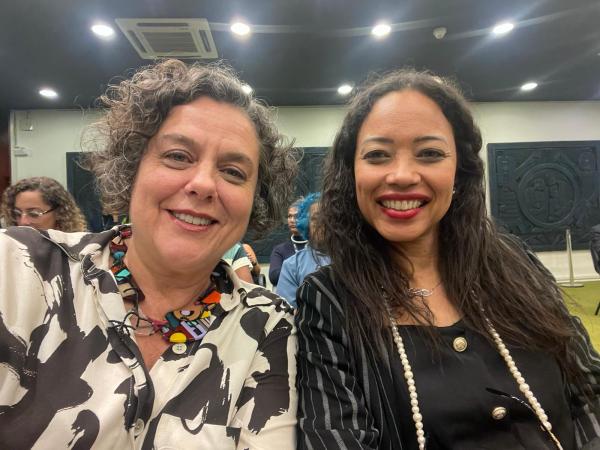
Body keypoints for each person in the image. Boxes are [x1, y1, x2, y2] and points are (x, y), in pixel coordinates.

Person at [0, 59, 299, 449]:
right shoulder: (19, 266)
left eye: (233, 172)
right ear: (131, 169)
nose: (204, 184)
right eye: (178, 156)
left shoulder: (268, 324)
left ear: (254, 201)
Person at [295, 69, 600, 450]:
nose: (403, 175)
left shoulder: (515, 263)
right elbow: (336, 437)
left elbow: (588, 390)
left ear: (459, 171)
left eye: (430, 153)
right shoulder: (328, 300)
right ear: (350, 172)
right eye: (377, 155)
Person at [276, 193, 329, 307]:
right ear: (306, 224)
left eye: (328, 217)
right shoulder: (292, 266)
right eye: (316, 218)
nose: (323, 223)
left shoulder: (351, 261)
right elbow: (286, 312)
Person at [0, 176, 87, 231]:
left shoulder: (80, 251)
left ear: (59, 213)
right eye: (17, 214)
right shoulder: (8, 248)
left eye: (34, 214)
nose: (23, 222)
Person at [269, 198, 307, 286]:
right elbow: (274, 277)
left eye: (297, 216)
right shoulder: (280, 249)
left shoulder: (317, 247)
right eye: (290, 216)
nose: (292, 220)